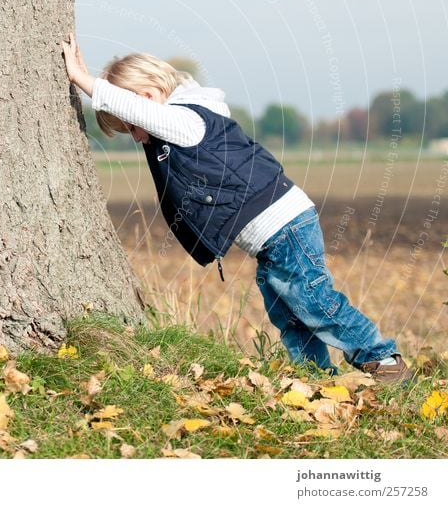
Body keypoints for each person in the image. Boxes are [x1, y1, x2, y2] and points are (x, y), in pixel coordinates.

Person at [61, 32, 413, 384]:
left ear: (148, 99)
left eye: (132, 127)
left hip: (285, 226)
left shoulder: (185, 121)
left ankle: (382, 360)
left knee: (313, 299)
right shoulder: (183, 121)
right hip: (272, 239)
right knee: (288, 313)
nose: (137, 137)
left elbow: (143, 113)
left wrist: (84, 81)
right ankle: (316, 377)